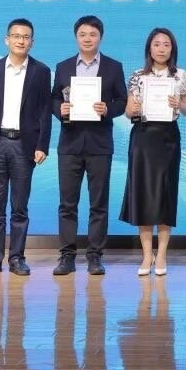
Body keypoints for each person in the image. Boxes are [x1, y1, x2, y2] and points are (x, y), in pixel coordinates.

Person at [0, 18, 52, 277]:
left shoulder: (41, 71)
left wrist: (42, 145)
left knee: (19, 207)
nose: (20, 41)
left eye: (26, 37)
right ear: (7, 40)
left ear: (32, 42)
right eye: (16, 36)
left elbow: (45, 112)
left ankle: (17, 258)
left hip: (24, 146)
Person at [50, 15, 127, 277]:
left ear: (100, 37)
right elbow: (53, 98)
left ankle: (95, 256)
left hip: (99, 144)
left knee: (98, 203)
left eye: (92, 34)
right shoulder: (63, 67)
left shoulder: (113, 67)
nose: (87, 39)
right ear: (76, 37)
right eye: (82, 34)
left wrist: (108, 109)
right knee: (67, 204)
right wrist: (59, 109)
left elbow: (122, 101)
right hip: (70, 144)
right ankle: (67, 256)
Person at [120, 27, 186, 276]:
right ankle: (146, 254)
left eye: (166, 45)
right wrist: (133, 110)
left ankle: (161, 254)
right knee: (142, 194)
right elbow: (128, 111)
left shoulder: (180, 75)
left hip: (168, 138)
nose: (161, 49)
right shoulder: (137, 76)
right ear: (149, 48)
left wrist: (179, 104)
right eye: (157, 44)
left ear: (172, 49)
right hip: (142, 137)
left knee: (165, 194)